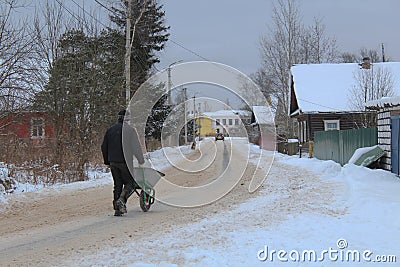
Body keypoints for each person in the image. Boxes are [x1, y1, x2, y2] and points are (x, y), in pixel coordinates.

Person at [101, 110, 145, 216]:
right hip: (125, 161)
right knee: (130, 182)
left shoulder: (110, 130)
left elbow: (103, 146)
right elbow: (136, 147)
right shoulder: (130, 130)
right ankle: (121, 200)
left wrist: (107, 160)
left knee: (118, 184)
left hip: (113, 162)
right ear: (128, 119)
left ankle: (117, 209)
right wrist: (140, 160)